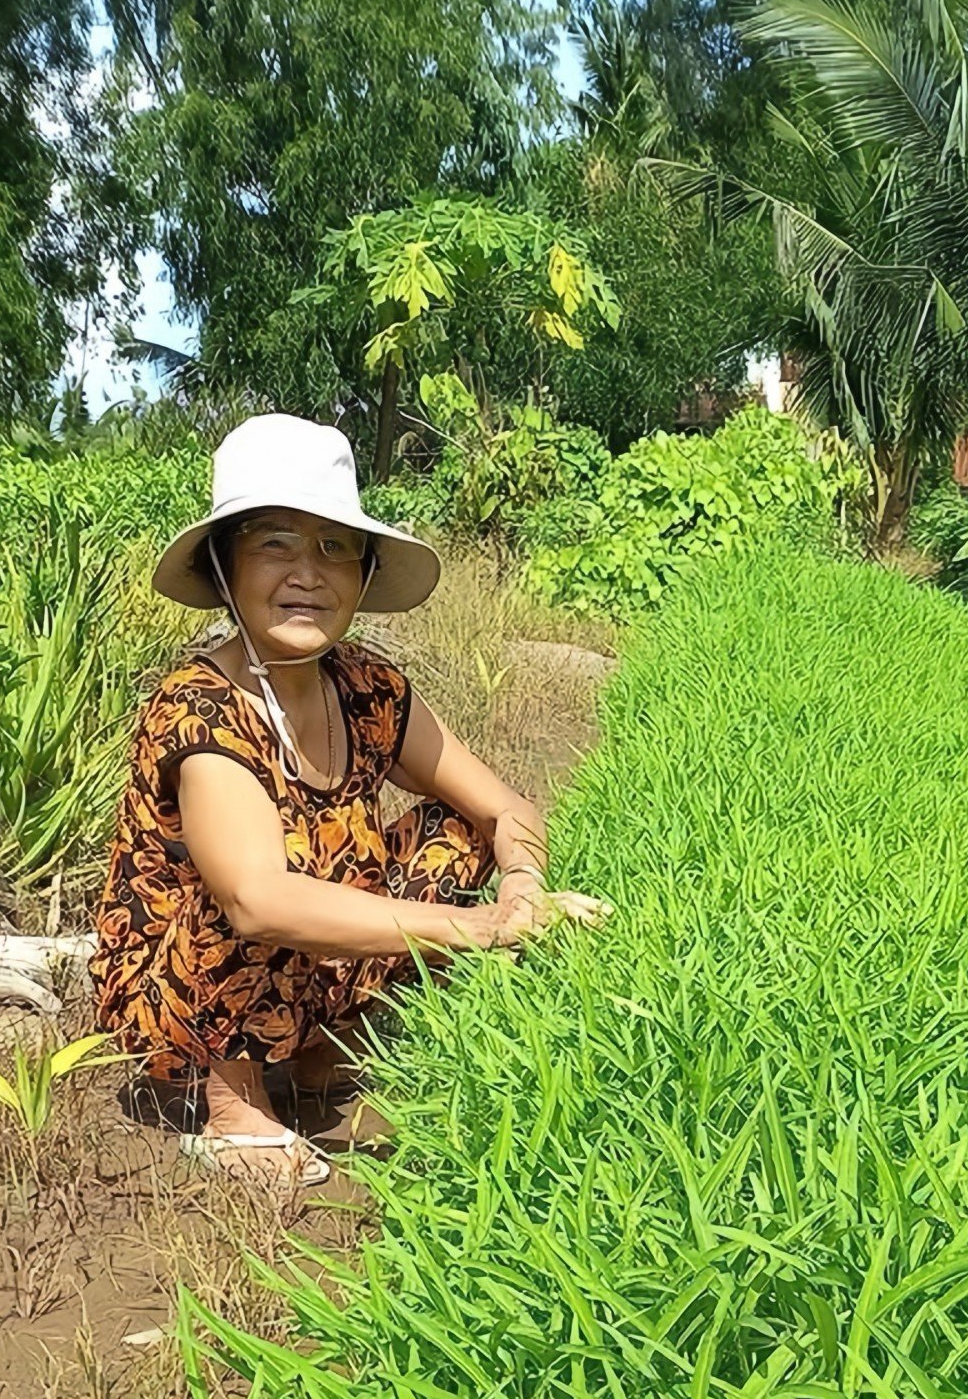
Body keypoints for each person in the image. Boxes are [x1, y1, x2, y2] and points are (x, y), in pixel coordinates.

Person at [90, 412, 610, 1187]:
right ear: (226, 569)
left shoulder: (366, 686)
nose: (308, 572)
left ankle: (316, 1051)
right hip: (180, 993)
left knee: (455, 829)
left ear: (364, 576)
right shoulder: (199, 706)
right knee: (255, 883)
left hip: (307, 964)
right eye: (276, 543)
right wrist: (484, 928)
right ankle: (236, 1107)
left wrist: (523, 886)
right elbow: (256, 902)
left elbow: (509, 808)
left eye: (336, 547)